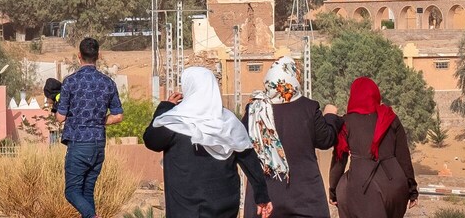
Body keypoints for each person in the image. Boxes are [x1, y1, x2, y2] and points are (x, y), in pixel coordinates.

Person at [143, 67, 274, 218]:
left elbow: (151, 141)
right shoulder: (228, 123)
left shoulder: (174, 122)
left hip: (185, 209)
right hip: (224, 208)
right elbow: (249, 160)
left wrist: (165, 107)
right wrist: (262, 196)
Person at [243, 57, 342, 218]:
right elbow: (326, 140)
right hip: (304, 198)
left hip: (264, 199)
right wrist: (330, 116)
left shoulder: (254, 109)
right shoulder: (308, 107)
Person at [327, 77, 417, 218]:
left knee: (344, 187)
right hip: (395, 186)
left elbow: (339, 160)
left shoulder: (346, 122)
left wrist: (333, 191)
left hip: (362, 186)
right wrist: (412, 190)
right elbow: (403, 157)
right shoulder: (390, 118)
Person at [54, 37, 123, 218]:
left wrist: (56, 107)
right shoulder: (108, 83)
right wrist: (98, 121)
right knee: (87, 191)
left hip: (79, 144)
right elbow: (118, 116)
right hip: (98, 144)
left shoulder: (70, 82)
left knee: (72, 191)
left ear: (79, 56)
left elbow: (60, 117)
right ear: (98, 56)